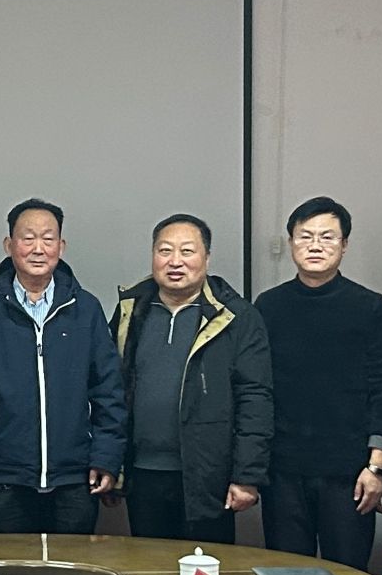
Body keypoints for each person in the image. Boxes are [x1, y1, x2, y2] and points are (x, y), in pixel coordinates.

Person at [0, 199, 126, 536]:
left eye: (48, 238)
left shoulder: (85, 309)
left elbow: (108, 391)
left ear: (61, 246)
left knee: (71, 569)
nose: (38, 248)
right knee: (10, 569)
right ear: (9, 245)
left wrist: (106, 457)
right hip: (4, 479)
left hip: (76, 478)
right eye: (28, 238)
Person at [255, 197, 382, 569]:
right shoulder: (268, 307)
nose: (315, 245)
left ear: (344, 245)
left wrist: (377, 466)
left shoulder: (369, 306)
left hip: (350, 473)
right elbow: (255, 389)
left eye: (327, 237)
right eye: (305, 236)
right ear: (291, 243)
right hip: (283, 472)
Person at [110, 214, 272, 545]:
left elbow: (255, 398)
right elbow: (111, 389)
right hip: (143, 472)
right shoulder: (131, 311)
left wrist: (247, 475)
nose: (175, 261)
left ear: (206, 258)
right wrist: (111, 463)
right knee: (148, 567)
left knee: (204, 570)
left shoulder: (236, 317)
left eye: (187, 251)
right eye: (165, 250)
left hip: (207, 475)